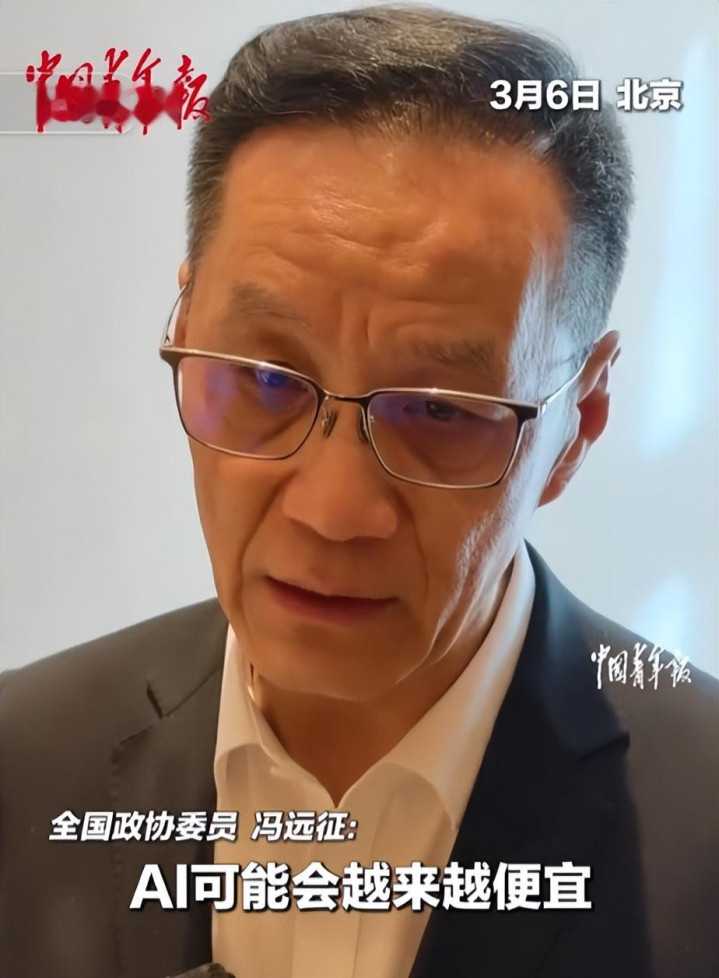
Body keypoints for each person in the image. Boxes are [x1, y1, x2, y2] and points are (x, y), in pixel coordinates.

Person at [0, 5, 716, 978]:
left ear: (577, 422)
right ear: (186, 326)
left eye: (440, 410)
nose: (331, 511)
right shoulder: (21, 762)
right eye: (264, 380)